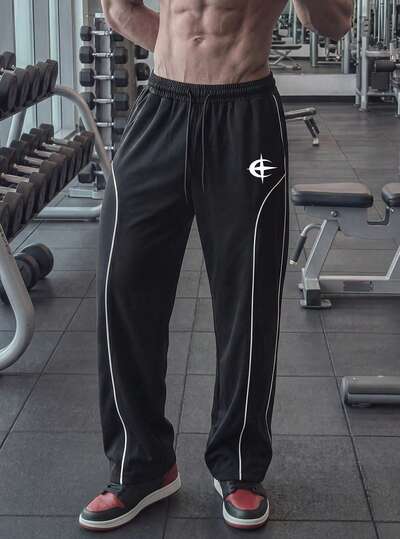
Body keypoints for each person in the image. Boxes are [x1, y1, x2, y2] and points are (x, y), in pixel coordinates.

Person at [79, 0, 353, 532]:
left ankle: (239, 466)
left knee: (248, 298)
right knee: (123, 284)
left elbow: (336, 24)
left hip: (245, 115)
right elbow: (118, 9)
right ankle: (143, 464)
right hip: (162, 106)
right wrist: (184, 55)